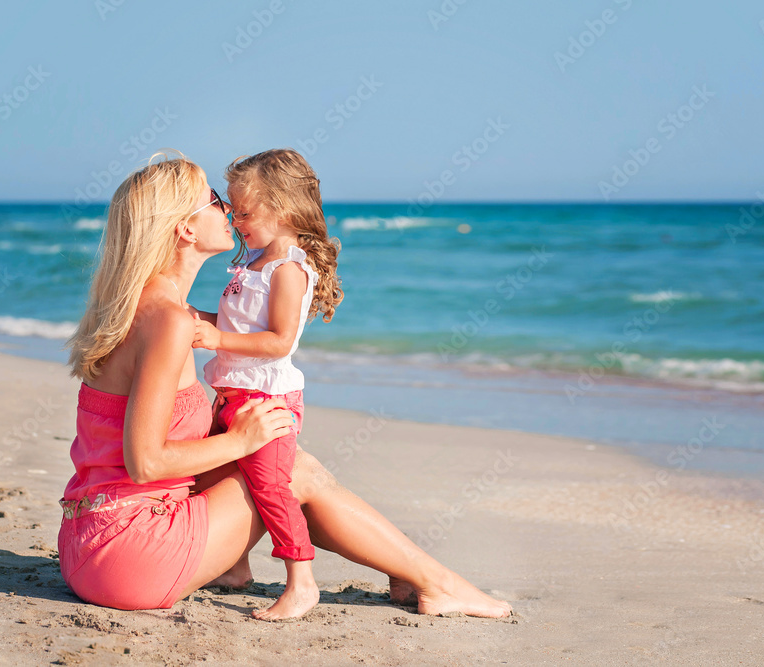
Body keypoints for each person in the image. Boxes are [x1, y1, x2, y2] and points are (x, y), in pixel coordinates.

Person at [58, 152, 512, 620]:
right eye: (215, 200)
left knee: (286, 464)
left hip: (84, 544)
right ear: (185, 229)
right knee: (294, 471)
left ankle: (405, 572)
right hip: (130, 555)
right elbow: (147, 462)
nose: (228, 211)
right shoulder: (169, 322)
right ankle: (438, 583)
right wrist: (241, 440)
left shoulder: (140, 307)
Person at [191, 149, 339, 620]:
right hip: (233, 392)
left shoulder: (287, 271)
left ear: (284, 209)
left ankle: (302, 582)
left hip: (267, 399)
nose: (233, 219)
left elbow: (278, 341)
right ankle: (235, 567)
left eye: (245, 211)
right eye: (230, 209)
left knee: (271, 487)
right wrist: (198, 319)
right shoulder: (252, 263)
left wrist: (216, 336)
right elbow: (239, 324)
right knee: (212, 478)